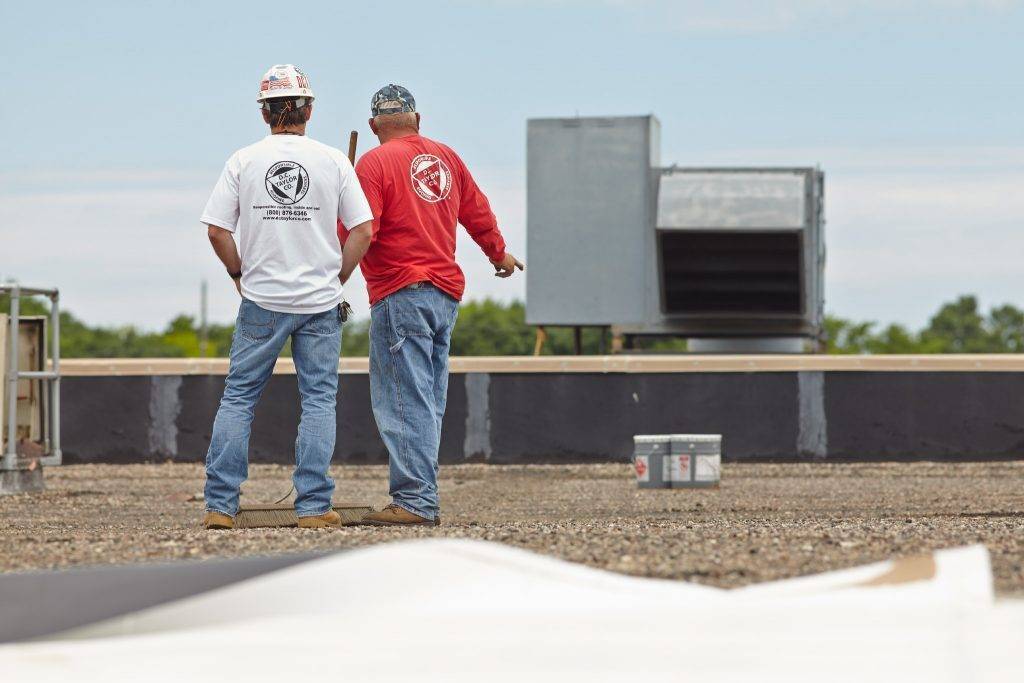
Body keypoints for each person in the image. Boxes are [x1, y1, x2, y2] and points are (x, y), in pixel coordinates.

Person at [200, 64, 374, 530]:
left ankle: (220, 506)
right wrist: (337, 276)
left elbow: (218, 231)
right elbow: (363, 230)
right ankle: (314, 507)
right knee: (319, 401)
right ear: (309, 109)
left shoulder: (243, 161)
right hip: (319, 303)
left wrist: (239, 273)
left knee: (238, 399)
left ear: (265, 113)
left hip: (261, 299)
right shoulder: (334, 161)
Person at [343, 84, 523, 526]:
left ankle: (415, 501)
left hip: (400, 291)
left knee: (404, 400)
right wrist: (499, 253)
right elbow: (477, 210)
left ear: (373, 126)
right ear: (417, 120)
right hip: (443, 295)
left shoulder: (371, 163)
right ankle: (420, 494)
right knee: (427, 400)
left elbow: (363, 230)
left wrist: (334, 251)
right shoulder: (447, 156)